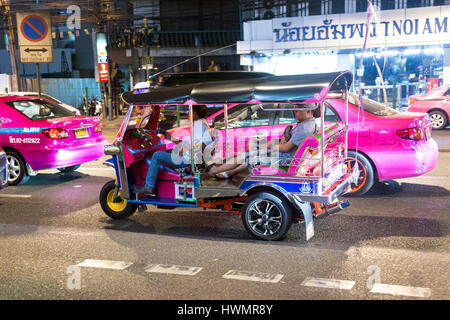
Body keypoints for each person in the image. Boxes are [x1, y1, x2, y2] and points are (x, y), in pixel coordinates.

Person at [208, 106, 316, 179]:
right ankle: (230, 172)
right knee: (252, 149)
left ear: (308, 111)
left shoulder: (304, 128)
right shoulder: (308, 123)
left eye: (297, 110)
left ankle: (215, 170)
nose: (294, 112)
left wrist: (268, 145)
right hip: (288, 156)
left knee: (248, 154)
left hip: (285, 159)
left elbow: (286, 148)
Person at [144, 105, 212, 195]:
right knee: (167, 152)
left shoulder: (200, 125)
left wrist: (186, 148)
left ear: (195, 114)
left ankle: (149, 187)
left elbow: (204, 144)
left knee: (157, 155)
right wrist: (170, 137)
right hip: (188, 158)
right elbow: (187, 143)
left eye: (190, 112)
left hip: (188, 160)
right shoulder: (198, 125)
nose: (188, 114)